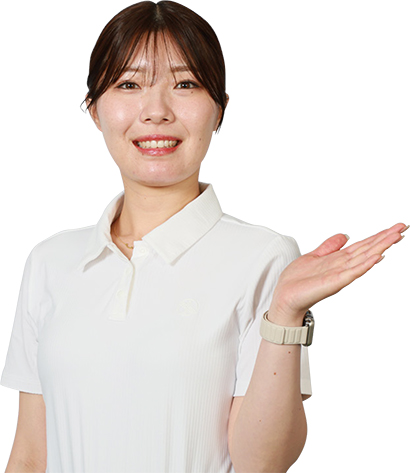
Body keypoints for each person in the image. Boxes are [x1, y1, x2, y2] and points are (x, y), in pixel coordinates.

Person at [0, 1, 407, 472]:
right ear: (94, 109)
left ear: (219, 110)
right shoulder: (51, 261)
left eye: (185, 84)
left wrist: (285, 313)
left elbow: (262, 463)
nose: (156, 112)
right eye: (129, 84)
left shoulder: (264, 257)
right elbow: (29, 455)